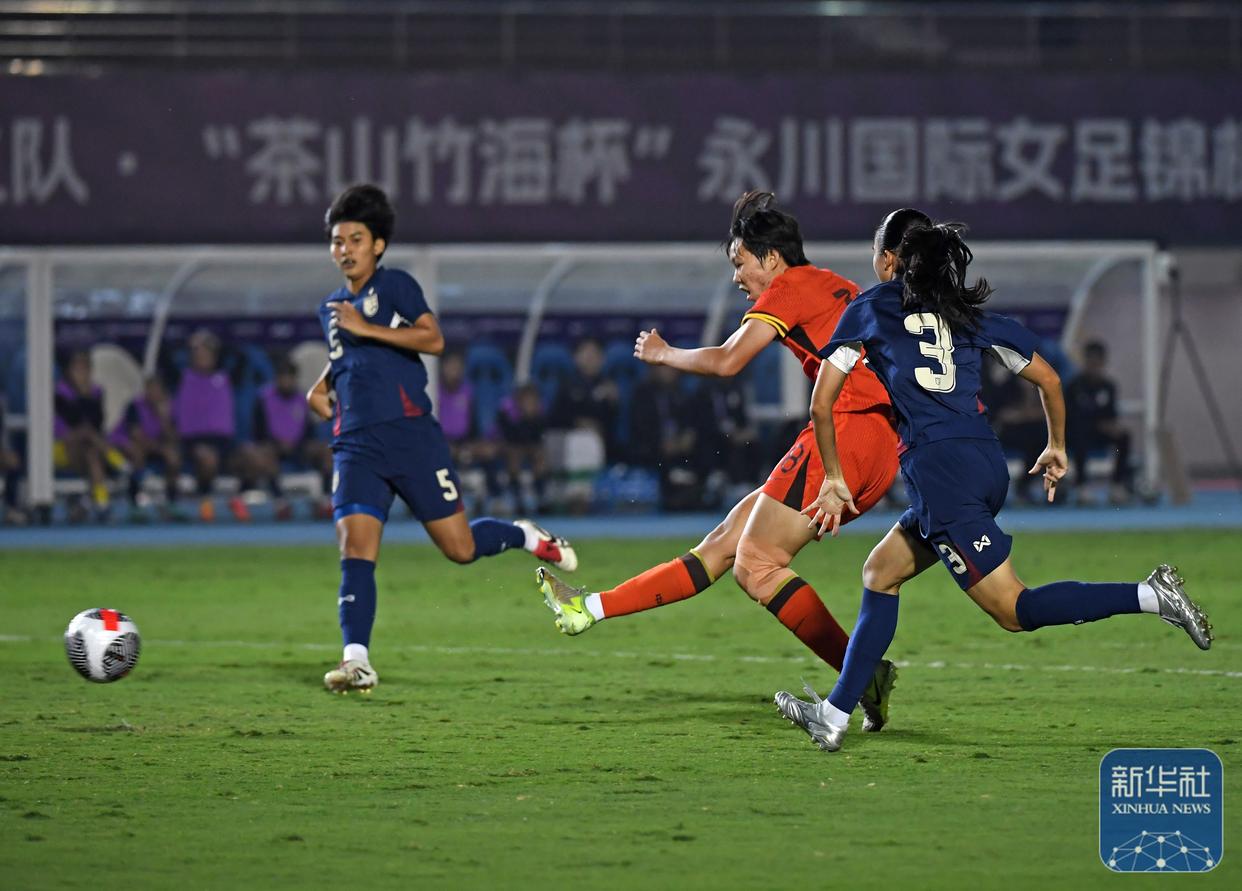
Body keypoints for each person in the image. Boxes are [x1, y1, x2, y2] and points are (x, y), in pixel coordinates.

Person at [777, 209, 1214, 754]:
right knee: (881, 571)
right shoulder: (963, 311)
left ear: (889, 258)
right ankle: (836, 712)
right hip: (985, 462)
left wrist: (835, 478)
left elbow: (822, 404)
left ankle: (1152, 595)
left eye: (875, 252)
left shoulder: (870, 308)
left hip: (941, 473)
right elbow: (1049, 379)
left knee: (1013, 609)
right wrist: (1057, 446)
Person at [538, 191, 902, 729]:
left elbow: (729, 360)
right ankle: (588, 609)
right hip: (875, 441)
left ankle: (860, 677)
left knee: (756, 565)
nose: (736, 277)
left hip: (845, 433)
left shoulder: (790, 287)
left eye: (740, 262)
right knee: (724, 544)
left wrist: (663, 353)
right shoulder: (832, 284)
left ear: (771, 258)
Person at [307, 183, 577, 694]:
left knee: (460, 548)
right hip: (356, 445)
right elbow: (347, 359)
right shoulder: (332, 308)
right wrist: (320, 387)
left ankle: (523, 535)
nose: (344, 250)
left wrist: (367, 328)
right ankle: (356, 661)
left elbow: (433, 338)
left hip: (411, 437)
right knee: (355, 548)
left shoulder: (395, 286)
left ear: (378, 245)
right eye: (337, 241)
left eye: (355, 239)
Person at [235, 356, 333, 521]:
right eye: (283, 377)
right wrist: (278, 443)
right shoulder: (264, 398)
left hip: (298, 448)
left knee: (326, 450)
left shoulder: (303, 399)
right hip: (273, 448)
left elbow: (308, 431)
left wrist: (296, 444)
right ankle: (280, 501)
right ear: (277, 378)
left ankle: (325, 499)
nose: (286, 381)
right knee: (264, 454)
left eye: (289, 377)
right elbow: (259, 431)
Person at [174, 329, 248, 523]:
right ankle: (205, 500)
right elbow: (165, 357)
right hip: (193, 441)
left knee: (252, 457)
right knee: (207, 458)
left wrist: (215, 341)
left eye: (207, 353)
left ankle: (239, 499)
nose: (202, 358)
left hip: (223, 442)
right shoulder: (182, 377)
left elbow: (242, 356)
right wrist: (189, 341)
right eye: (198, 353)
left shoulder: (225, 378)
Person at [54, 350, 123, 522]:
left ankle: (101, 504)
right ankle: (118, 462)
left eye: (85, 368)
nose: (82, 373)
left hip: (90, 448)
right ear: (69, 371)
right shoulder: (60, 392)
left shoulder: (97, 392)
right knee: (85, 432)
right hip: (63, 448)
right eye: (77, 368)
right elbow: (70, 421)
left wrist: (87, 396)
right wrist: (82, 397)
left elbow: (98, 422)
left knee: (92, 454)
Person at [1064, 340, 1135, 503]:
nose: (1094, 366)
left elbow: (1111, 415)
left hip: (1100, 432)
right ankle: (1081, 486)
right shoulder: (1074, 386)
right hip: (1076, 432)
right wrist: (1097, 424)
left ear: (1103, 363)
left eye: (1097, 362)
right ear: (1085, 361)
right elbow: (1070, 417)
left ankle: (1117, 485)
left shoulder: (1109, 387)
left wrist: (1112, 427)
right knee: (1079, 434)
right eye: (1091, 362)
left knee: (1124, 436)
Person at [111, 374, 184, 522]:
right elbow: (136, 436)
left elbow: (174, 438)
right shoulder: (135, 406)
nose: (152, 392)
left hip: (152, 447)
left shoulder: (169, 407)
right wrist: (161, 449)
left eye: (156, 389)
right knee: (137, 454)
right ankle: (135, 505)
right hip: (122, 445)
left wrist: (163, 418)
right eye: (149, 388)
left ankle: (172, 503)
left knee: (173, 457)